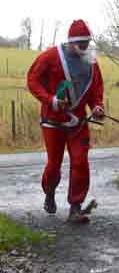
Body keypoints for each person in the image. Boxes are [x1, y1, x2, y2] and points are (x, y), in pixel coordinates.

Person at [26, 19, 105, 224]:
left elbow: (96, 88)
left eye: (88, 43)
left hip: (78, 121)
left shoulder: (91, 61)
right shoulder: (50, 56)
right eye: (82, 44)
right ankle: (50, 192)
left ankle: (76, 207)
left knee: (80, 161)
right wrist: (50, 100)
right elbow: (32, 80)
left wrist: (97, 107)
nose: (86, 48)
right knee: (54, 164)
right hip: (53, 120)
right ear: (71, 42)